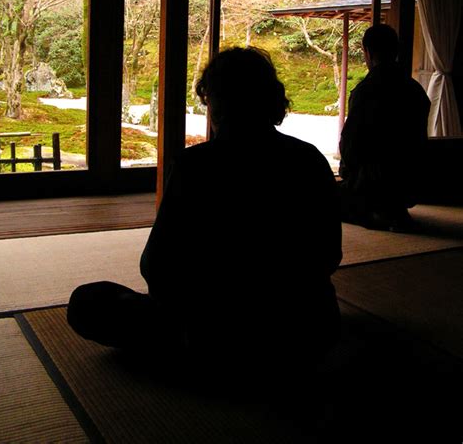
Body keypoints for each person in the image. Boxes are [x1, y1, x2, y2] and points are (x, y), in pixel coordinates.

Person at [68, 47, 342, 384]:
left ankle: (198, 359)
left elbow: (156, 267)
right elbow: (329, 254)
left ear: (217, 104)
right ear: (272, 99)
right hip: (307, 331)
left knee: (88, 301)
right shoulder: (309, 159)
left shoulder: (196, 165)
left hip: (213, 335)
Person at [339, 24, 430, 231]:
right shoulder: (415, 90)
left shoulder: (366, 91)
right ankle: (391, 210)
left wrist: (347, 171)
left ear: (368, 52)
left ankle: (376, 214)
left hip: (374, 183)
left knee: (320, 198)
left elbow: (350, 143)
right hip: (411, 181)